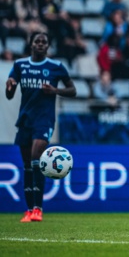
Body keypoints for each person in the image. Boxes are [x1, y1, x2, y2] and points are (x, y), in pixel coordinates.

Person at [5, 32, 77, 223]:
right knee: (28, 166)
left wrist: (55, 91)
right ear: (31, 44)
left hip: (44, 120)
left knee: (37, 158)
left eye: (44, 42)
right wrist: (9, 87)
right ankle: (29, 211)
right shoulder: (20, 65)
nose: (40, 44)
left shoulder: (56, 67)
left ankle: (38, 209)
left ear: (48, 47)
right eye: (37, 41)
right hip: (25, 120)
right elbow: (10, 95)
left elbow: (73, 90)